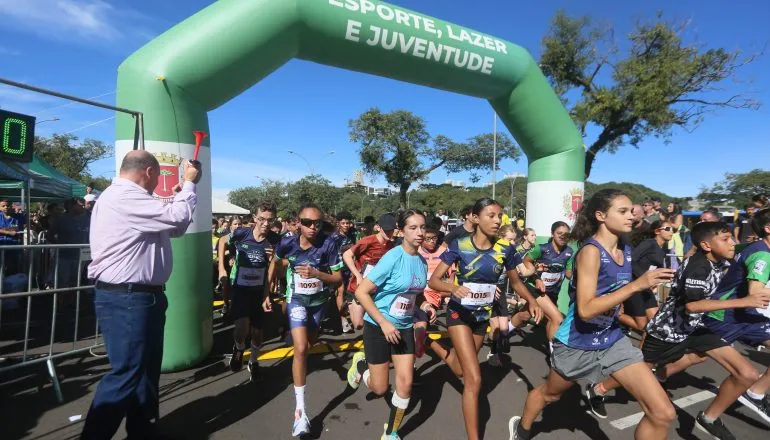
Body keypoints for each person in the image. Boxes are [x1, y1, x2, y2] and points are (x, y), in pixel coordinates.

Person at [508, 189, 676, 440]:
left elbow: (621, 293)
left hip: (612, 340)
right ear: (601, 215)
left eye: (631, 211)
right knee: (550, 395)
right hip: (578, 343)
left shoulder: (626, 249)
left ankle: (596, 390)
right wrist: (637, 285)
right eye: (623, 211)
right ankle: (521, 430)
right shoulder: (590, 252)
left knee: (663, 413)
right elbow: (585, 310)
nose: (631, 216)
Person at [587, 221, 765, 440]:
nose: (733, 244)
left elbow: (747, 250)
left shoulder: (720, 257)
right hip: (667, 331)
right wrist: (745, 301)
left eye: (732, 238)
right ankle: (598, 389)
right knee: (641, 368)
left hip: (696, 328)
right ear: (706, 245)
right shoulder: (698, 267)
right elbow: (693, 305)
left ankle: (709, 418)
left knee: (746, 374)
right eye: (726, 239)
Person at [81, 151, 201, 439]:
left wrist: (178, 195)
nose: (158, 181)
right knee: (127, 374)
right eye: (158, 175)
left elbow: (175, 226)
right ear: (148, 172)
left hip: (140, 298)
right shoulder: (124, 196)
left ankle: (142, 430)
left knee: (145, 372)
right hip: (129, 298)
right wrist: (190, 184)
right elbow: (178, 216)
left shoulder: (128, 199)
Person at [429, 198, 542, 440]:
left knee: (460, 370)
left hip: (482, 317)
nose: (497, 220)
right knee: (474, 379)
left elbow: (516, 281)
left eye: (500, 215)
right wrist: (452, 289)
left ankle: (435, 346)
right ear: (476, 217)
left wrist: (532, 301)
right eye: (490, 215)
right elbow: (434, 281)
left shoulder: (505, 249)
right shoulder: (459, 245)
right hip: (459, 314)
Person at [345, 209, 428, 440]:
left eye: (422, 227)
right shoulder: (392, 257)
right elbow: (362, 292)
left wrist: (425, 306)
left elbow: (413, 294)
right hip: (377, 326)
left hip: (403, 328)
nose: (420, 232)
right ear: (401, 231)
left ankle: (391, 432)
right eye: (413, 228)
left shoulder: (421, 261)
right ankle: (361, 367)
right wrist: (383, 323)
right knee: (380, 389)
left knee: (406, 383)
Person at [263, 202, 343, 437]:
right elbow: (275, 263)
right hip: (296, 300)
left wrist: (317, 274)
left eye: (317, 223)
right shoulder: (287, 242)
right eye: (307, 223)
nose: (312, 227)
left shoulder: (328, 245)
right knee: (299, 348)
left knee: (308, 346)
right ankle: (300, 412)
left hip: (319, 304)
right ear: (298, 223)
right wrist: (267, 291)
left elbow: (338, 279)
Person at [703, 208, 770, 421]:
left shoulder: (756, 246)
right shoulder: (762, 254)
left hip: (744, 315)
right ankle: (647, 373)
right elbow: (756, 293)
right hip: (725, 315)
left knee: (692, 357)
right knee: (690, 358)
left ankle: (755, 393)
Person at [219, 203, 280, 381]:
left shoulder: (276, 240)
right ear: (255, 218)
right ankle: (239, 348)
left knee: (258, 333)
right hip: (240, 290)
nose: (266, 224)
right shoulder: (242, 233)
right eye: (262, 219)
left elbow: (279, 268)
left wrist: (273, 260)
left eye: (270, 220)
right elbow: (223, 241)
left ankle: (253, 361)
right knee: (242, 327)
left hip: (260, 292)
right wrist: (222, 268)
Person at [515, 221, 573, 341]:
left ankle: (506, 330)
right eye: (559, 233)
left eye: (566, 234)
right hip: (536, 288)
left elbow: (568, 273)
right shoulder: (542, 249)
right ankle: (554, 354)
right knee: (557, 318)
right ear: (552, 233)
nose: (563, 237)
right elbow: (526, 260)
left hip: (552, 291)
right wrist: (536, 278)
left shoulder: (569, 252)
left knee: (526, 315)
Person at [617, 220, 674, 331]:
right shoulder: (649, 243)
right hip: (635, 284)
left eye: (673, 229)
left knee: (655, 323)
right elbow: (631, 260)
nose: (671, 232)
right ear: (657, 231)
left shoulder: (663, 249)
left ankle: (645, 348)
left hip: (646, 287)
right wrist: (644, 276)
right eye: (668, 229)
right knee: (642, 326)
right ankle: (613, 314)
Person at [342, 214, 397, 331]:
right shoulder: (368, 241)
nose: (388, 233)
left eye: (391, 230)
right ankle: (349, 303)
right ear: (378, 228)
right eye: (386, 230)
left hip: (377, 288)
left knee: (375, 321)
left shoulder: (391, 246)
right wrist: (357, 275)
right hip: (358, 286)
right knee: (358, 325)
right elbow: (347, 255)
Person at [331, 211, 358, 333]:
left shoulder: (353, 234)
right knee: (340, 291)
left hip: (351, 268)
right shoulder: (334, 238)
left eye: (348, 223)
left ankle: (352, 315)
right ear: (338, 224)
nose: (346, 225)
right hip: (338, 268)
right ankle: (343, 320)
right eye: (343, 223)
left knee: (352, 292)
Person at [0, 198, 24, 275]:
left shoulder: (19, 217)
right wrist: (8, 232)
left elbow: (30, 223)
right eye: (3, 206)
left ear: (11, 206)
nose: (6, 207)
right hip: (1, 245)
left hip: (14, 246)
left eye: (8, 205)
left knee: (12, 267)